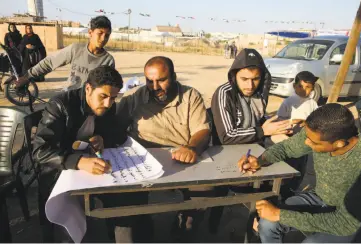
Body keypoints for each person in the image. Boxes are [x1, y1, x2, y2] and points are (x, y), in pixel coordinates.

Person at [33, 66, 151, 243]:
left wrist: (103, 138)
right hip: (59, 172)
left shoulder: (108, 104)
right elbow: (40, 151)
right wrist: (78, 161)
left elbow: (116, 134)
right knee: (69, 222)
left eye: (113, 98)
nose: (108, 104)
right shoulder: (60, 105)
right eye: (103, 96)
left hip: (96, 170)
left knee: (130, 197)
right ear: (88, 88)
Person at [238, 103, 361, 243]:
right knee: (267, 223)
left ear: (339, 143)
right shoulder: (318, 132)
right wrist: (261, 160)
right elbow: (287, 147)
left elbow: (345, 223)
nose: (307, 143)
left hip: (355, 221)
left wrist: (280, 215)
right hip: (320, 198)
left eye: (314, 143)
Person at [116, 56, 213, 241]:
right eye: (149, 81)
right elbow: (115, 127)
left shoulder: (191, 96)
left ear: (174, 76)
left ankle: (184, 224)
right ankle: (143, 224)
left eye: (161, 80)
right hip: (144, 159)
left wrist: (192, 147)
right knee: (127, 200)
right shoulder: (135, 97)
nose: (155, 87)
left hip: (182, 155)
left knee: (204, 191)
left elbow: (202, 130)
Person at [211, 48, 292, 146]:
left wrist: (277, 127)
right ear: (234, 75)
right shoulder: (224, 93)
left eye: (256, 79)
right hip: (229, 148)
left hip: (255, 141)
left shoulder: (260, 91)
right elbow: (226, 136)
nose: (250, 86)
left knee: (292, 146)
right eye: (244, 79)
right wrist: (262, 131)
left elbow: (258, 119)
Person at [16, 15, 115, 90]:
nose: (103, 39)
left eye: (107, 35)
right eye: (100, 33)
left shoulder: (108, 61)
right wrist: (27, 76)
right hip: (68, 98)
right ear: (90, 33)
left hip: (89, 106)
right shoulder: (76, 49)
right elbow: (50, 62)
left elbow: (105, 89)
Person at [272, 71, 319, 143]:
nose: (303, 89)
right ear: (294, 86)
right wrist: (292, 122)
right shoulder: (288, 102)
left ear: (312, 88)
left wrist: (307, 122)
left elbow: (316, 119)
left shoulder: (312, 103)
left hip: (306, 132)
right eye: (300, 86)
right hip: (290, 133)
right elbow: (280, 119)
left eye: (308, 87)